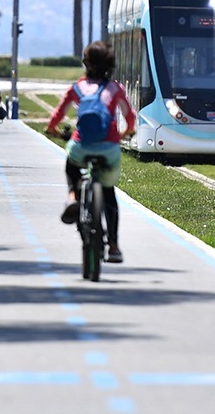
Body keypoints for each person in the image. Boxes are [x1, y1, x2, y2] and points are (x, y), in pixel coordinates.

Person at [46, 40, 136, 263]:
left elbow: (57, 115)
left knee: (72, 165)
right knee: (108, 194)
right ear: (110, 65)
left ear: (86, 63)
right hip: (109, 148)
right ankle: (114, 246)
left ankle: (72, 197)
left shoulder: (78, 87)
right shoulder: (115, 89)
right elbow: (131, 117)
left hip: (81, 145)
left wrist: (52, 130)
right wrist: (126, 133)